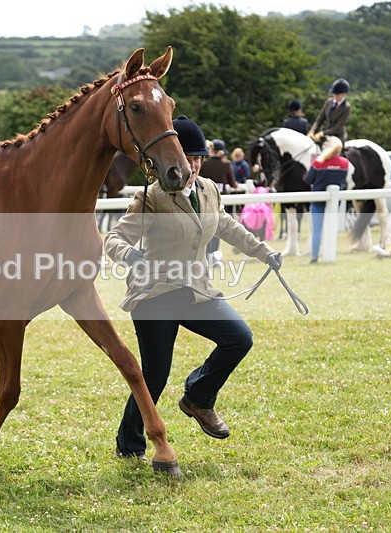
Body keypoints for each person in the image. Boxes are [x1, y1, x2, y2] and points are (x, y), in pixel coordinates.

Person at [103, 116, 281, 458]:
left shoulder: (211, 189)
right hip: (155, 296)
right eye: (188, 158)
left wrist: (265, 252)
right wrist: (129, 255)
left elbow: (227, 226)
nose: (194, 165)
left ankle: (198, 398)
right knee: (154, 376)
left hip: (197, 292)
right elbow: (114, 237)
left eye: (199, 158)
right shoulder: (152, 197)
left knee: (239, 338)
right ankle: (129, 444)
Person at [304, 135, 353, 263]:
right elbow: (343, 181)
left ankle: (314, 257)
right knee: (331, 229)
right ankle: (330, 255)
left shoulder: (318, 162)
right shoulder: (344, 163)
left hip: (318, 201)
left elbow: (308, 179)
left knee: (317, 230)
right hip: (334, 202)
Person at [200, 138, 238, 263]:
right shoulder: (226, 164)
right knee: (218, 227)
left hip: (204, 198)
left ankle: (205, 255)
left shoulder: (204, 163)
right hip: (220, 199)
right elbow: (233, 184)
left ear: (212, 150)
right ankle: (213, 256)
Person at [308, 78, 351, 145]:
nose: (336, 96)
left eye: (338, 94)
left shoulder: (346, 107)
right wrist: (312, 131)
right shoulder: (328, 102)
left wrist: (322, 133)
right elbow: (320, 119)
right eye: (334, 94)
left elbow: (338, 128)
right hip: (324, 133)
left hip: (337, 136)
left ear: (344, 94)